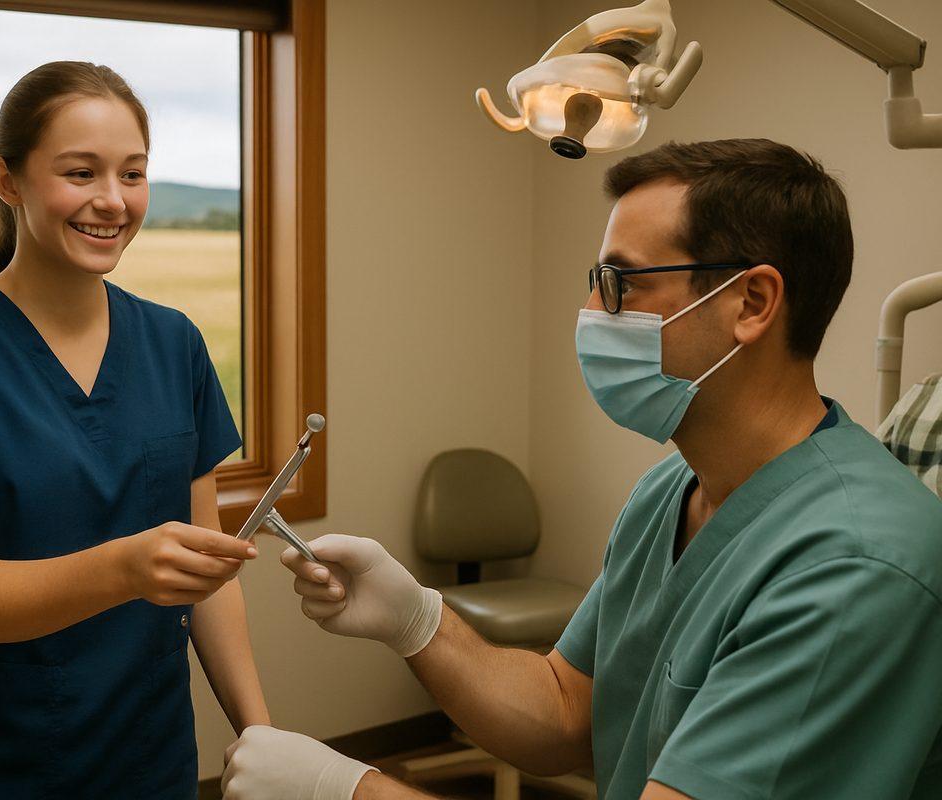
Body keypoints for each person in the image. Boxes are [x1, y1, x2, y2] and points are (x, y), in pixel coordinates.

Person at [221, 139, 942, 800]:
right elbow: (567, 708)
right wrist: (418, 621)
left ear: (750, 303)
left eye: (621, 284)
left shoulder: (855, 567)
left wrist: (347, 793)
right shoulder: (674, 486)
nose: (591, 311)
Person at [0, 61, 268, 798]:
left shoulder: (176, 346)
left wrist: (262, 738)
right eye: (81, 173)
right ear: (8, 180)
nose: (112, 200)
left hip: (147, 756)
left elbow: (208, 583)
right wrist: (127, 568)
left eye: (133, 174)